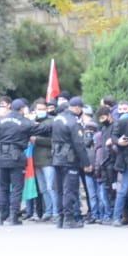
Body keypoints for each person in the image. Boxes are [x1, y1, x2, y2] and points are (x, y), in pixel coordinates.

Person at [0, 98, 38, 225]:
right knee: (17, 188)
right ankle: (13, 216)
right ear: (22, 109)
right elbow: (38, 130)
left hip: (1, 156)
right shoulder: (24, 122)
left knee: (3, 187)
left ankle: (0, 216)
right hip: (16, 157)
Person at [52, 96, 90, 228]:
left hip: (57, 158)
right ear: (78, 108)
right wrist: (86, 163)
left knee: (60, 190)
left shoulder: (57, 118)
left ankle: (60, 218)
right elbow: (79, 144)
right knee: (70, 190)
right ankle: (69, 219)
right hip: (69, 159)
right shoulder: (73, 122)